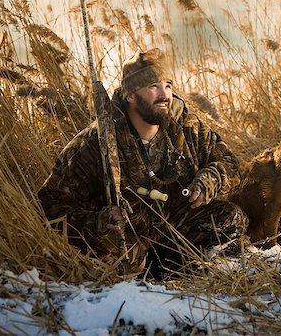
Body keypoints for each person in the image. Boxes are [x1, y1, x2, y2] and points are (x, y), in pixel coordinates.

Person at [38, 48, 248, 275]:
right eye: (153, 86)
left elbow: (231, 163)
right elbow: (49, 204)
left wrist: (212, 177)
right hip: (128, 244)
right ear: (130, 95)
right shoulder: (95, 142)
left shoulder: (186, 126)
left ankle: (195, 271)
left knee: (230, 217)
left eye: (168, 86)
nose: (164, 95)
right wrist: (99, 221)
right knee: (111, 243)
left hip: (176, 233)